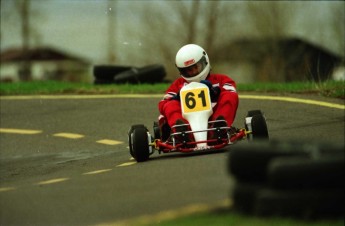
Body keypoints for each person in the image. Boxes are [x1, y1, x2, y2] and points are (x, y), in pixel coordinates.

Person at [158, 44, 239, 142]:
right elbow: (163, 103)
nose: (192, 72)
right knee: (170, 105)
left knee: (229, 96)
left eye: (196, 67)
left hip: (214, 121)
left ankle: (220, 127)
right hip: (188, 127)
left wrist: (215, 92)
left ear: (205, 62)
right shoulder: (178, 85)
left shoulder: (221, 80)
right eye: (188, 70)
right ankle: (181, 131)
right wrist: (178, 97)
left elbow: (231, 93)